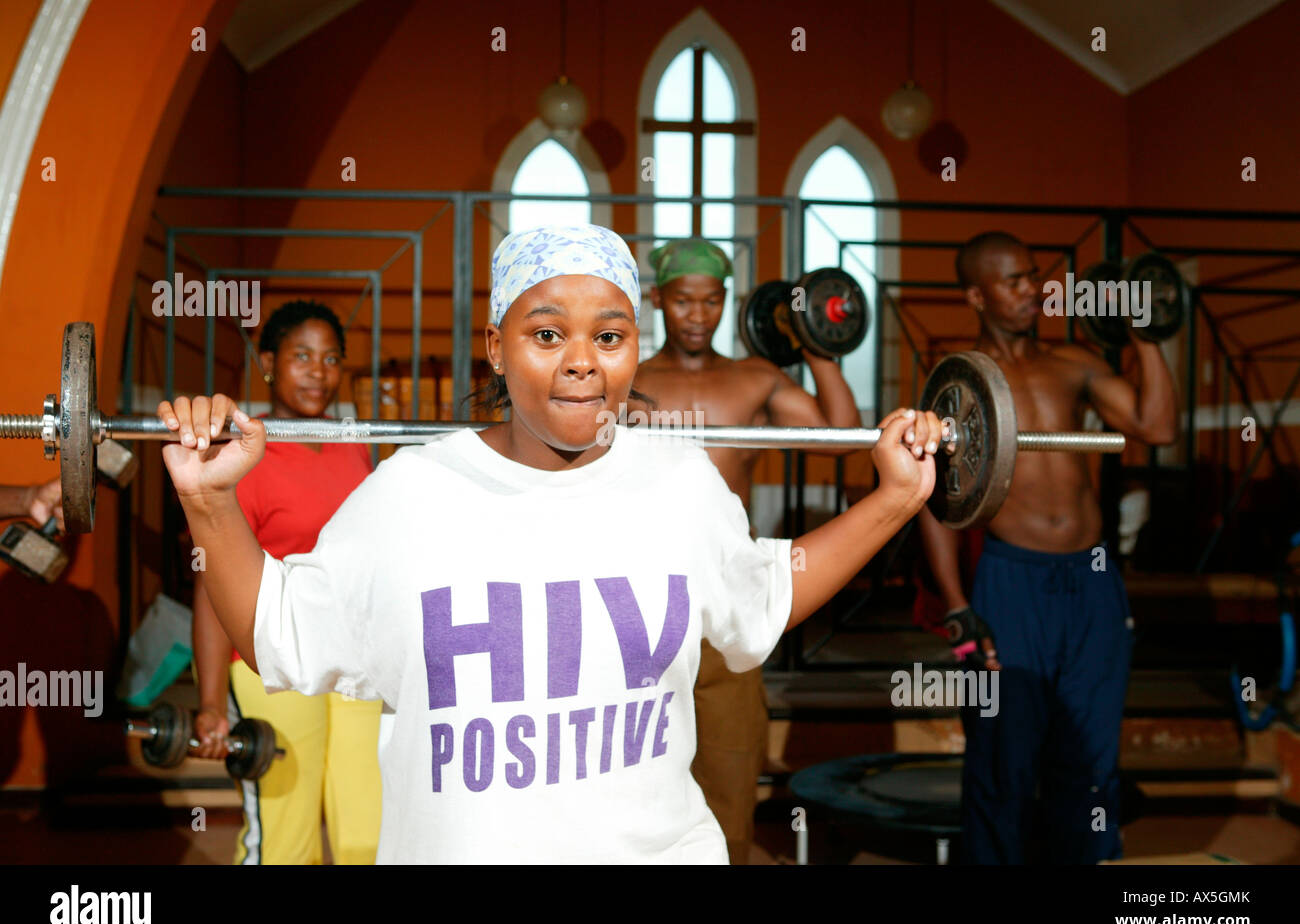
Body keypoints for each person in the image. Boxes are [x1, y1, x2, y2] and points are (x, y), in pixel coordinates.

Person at [156, 224, 944, 864]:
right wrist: (210, 501)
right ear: (496, 347)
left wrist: (895, 499)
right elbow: (278, 633)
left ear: (635, 346)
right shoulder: (410, 494)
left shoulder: (680, 483)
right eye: (546, 333)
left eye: (609, 334)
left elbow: (767, 590)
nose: (581, 361)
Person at [917, 231, 1177, 864]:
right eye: (1014, 281)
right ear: (976, 295)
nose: (1033, 289)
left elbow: (1157, 425)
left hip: (1091, 582)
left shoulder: (1076, 364)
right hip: (1011, 584)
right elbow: (934, 504)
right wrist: (956, 609)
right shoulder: (961, 382)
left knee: (1087, 752)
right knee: (1002, 757)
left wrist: (1144, 332)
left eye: (1034, 275)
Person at [630, 238, 862, 864]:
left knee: (730, 785)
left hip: (727, 604)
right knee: (636, 788)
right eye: (684, 300)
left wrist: (820, 349)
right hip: (640, 608)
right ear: (658, 301)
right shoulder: (630, 378)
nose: (698, 314)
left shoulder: (756, 379)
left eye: (711, 301)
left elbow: (841, 442)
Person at [189, 300, 382, 865]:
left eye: (330, 359)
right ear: (267, 362)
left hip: (352, 658)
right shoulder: (242, 456)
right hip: (268, 662)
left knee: (363, 832)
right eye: (301, 356)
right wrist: (208, 702)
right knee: (285, 835)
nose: (318, 372)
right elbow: (210, 584)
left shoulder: (355, 448)